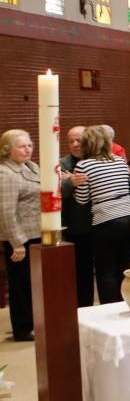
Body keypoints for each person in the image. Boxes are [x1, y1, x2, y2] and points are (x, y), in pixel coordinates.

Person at [72, 126, 130, 305]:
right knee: (124, 266)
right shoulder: (119, 160)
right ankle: (126, 304)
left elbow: (82, 199)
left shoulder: (84, 165)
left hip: (107, 219)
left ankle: (109, 310)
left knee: (106, 269)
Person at [0, 129, 40, 341]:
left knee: (34, 282)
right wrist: (17, 242)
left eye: (30, 145)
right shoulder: (6, 174)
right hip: (20, 238)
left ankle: (35, 322)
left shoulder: (31, 167)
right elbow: (6, 212)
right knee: (21, 285)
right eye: (22, 146)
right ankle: (23, 328)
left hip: (36, 233)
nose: (28, 149)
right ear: (8, 150)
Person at [60, 126, 95, 307]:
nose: (75, 145)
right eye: (70, 141)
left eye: (79, 140)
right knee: (82, 272)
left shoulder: (98, 160)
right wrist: (69, 182)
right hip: (77, 226)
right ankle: (84, 308)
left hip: (100, 223)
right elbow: (57, 194)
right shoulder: (62, 164)